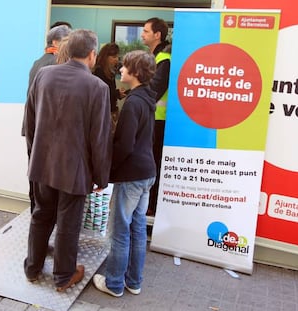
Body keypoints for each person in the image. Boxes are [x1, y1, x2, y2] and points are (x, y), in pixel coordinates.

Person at [23, 29, 112, 292]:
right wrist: (101, 176)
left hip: (41, 164)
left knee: (40, 216)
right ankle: (63, 276)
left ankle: (32, 268)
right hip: (74, 171)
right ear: (92, 54)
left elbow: (30, 122)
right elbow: (100, 138)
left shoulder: (43, 75)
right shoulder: (97, 87)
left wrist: (33, 156)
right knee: (67, 224)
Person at [93, 50, 157, 297]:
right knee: (138, 229)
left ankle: (114, 284)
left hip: (132, 176)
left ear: (136, 73)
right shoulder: (146, 99)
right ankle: (134, 281)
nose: (120, 69)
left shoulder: (132, 103)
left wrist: (105, 174)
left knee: (120, 230)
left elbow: (124, 146)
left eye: (125, 66)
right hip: (147, 173)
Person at [23, 24, 72, 215]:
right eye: (66, 41)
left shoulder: (38, 62)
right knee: (46, 179)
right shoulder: (55, 64)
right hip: (46, 130)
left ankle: (35, 212)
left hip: (32, 127)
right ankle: (43, 218)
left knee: (34, 173)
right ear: (55, 42)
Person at [141, 17, 171, 216]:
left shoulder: (164, 59)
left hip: (159, 121)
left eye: (145, 31)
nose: (142, 34)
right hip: (151, 119)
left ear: (157, 35)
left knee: (154, 164)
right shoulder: (152, 56)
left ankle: (152, 207)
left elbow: (154, 90)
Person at [93, 42, 126, 129]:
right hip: (104, 113)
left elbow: (110, 91)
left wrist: (118, 94)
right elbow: (101, 94)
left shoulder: (111, 72)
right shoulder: (99, 71)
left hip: (112, 111)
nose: (116, 59)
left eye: (117, 57)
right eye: (113, 57)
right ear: (105, 57)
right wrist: (116, 93)